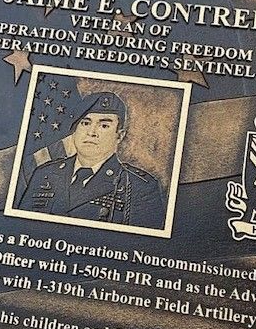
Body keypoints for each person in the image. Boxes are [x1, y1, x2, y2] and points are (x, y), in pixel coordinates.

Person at [19, 91, 166, 229]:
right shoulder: (45, 174)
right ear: (74, 130)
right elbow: (21, 228)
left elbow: (141, 246)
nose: (91, 132)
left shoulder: (140, 186)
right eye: (85, 123)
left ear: (119, 136)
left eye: (104, 125)